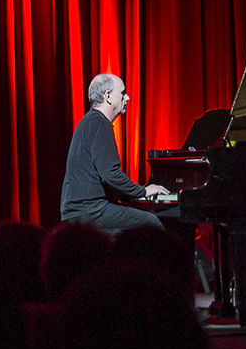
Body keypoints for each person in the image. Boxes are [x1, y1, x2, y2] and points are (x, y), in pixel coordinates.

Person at [60, 73, 167, 235]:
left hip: (83, 210)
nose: (128, 98)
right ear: (108, 96)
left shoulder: (90, 121)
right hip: (89, 211)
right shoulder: (98, 123)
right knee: (152, 223)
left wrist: (133, 196)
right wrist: (143, 192)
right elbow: (109, 173)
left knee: (134, 227)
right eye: (123, 93)